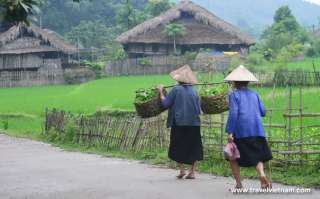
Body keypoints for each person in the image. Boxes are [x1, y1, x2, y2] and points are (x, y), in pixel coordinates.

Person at [224, 65, 273, 189]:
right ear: (247, 82)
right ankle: (261, 174)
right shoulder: (255, 94)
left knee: (233, 156)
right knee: (257, 155)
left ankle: (239, 183)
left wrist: (230, 132)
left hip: (241, 131)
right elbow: (263, 111)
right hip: (257, 130)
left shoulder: (234, 95)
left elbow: (234, 113)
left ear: (235, 83)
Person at [158, 65, 203, 179]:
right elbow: (199, 110)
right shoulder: (195, 91)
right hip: (194, 123)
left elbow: (166, 104)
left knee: (178, 146)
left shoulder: (176, 89)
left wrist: (161, 92)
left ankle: (182, 170)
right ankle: (192, 172)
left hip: (179, 123)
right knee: (193, 147)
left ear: (178, 79)